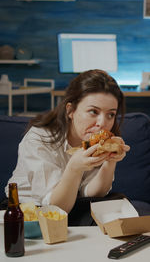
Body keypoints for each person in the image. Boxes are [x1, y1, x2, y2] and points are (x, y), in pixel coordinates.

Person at [5, 69, 130, 225]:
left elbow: (92, 194)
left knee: (116, 203)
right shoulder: (39, 138)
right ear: (70, 110)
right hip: (31, 210)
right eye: (93, 111)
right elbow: (55, 209)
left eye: (110, 114)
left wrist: (110, 161)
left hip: (73, 204)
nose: (103, 123)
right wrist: (74, 168)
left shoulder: (99, 142)